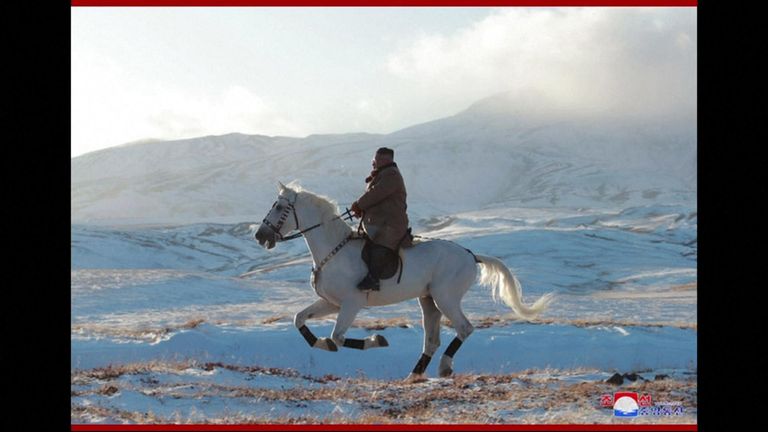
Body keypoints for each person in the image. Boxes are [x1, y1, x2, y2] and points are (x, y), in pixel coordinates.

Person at [350, 147, 411, 291]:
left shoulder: (391, 175)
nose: (373, 163)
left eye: (375, 159)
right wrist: (362, 209)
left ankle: (373, 280)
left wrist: (359, 205)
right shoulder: (383, 174)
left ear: (385, 160)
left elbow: (377, 194)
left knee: (380, 246)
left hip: (391, 225)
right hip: (380, 222)